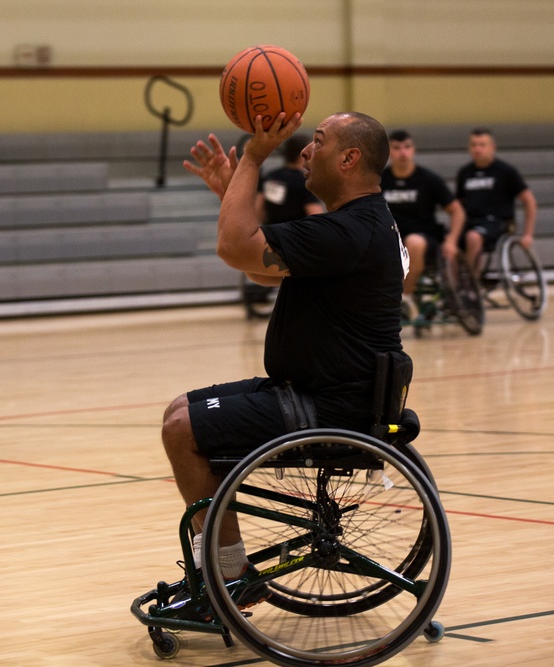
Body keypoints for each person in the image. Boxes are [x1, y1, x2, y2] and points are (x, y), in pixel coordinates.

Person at [164, 111, 408, 616]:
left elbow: (235, 248)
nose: (303, 151)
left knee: (184, 429)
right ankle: (227, 571)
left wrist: (254, 156)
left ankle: (229, 579)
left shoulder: (350, 230)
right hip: (314, 389)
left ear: (349, 158)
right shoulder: (354, 224)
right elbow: (262, 270)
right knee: (177, 413)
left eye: (317, 141)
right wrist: (229, 195)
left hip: (329, 405)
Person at [381, 129, 465, 319]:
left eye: (407, 147)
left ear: (413, 150)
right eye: (397, 148)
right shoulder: (380, 180)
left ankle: (405, 298)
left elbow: (457, 211)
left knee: (415, 242)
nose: (403, 152)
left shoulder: (428, 179)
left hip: (424, 239)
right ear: (389, 152)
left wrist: (452, 241)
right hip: (390, 239)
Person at [240, 134, 324, 317]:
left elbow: (258, 208)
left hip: (271, 235)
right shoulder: (304, 182)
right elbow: (316, 215)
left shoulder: (271, 177)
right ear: (302, 155)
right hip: (296, 241)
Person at [455, 127, 537, 272]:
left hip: (498, 223)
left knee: (473, 237)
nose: (477, 149)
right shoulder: (464, 173)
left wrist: (528, 234)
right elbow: (458, 206)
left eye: (482, 145)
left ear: (492, 147)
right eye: (474, 145)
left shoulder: (505, 171)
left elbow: (529, 200)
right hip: (471, 222)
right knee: (448, 244)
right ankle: (453, 289)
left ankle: (470, 285)